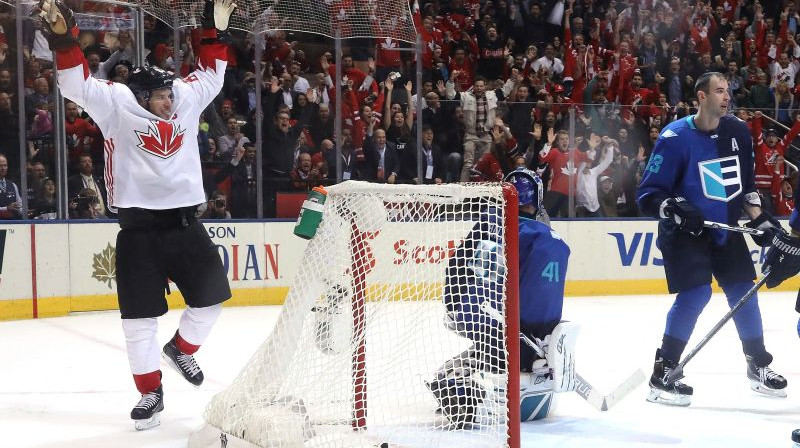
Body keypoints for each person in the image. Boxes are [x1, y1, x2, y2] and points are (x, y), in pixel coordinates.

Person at [39, 0, 235, 430]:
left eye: (170, 93)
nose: (170, 100)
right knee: (138, 321)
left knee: (212, 301)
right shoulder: (115, 104)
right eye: (161, 95)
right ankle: (150, 392)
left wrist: (213, 30)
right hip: (139, 232)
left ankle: (182, 348)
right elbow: (74, 85)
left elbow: (212, 74)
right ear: (142, 95)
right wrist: (63, 39)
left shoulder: (184, 98)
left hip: (186, 224)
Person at [636, 72, 787, 407]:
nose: (726, 96)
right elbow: (647, 195)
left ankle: (757, 364)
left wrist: (760, 219)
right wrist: (674, 206)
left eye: (728, 91)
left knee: (743, 292)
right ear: (701, 97)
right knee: (697, 293)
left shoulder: (737, 131)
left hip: (725, 228)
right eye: (719, 91)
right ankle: (664, 371)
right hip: (685, 233)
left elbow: (746, 189)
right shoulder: (674, 138)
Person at [427, 167, 576, 427]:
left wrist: (454, 307)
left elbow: (459, 267)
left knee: (452, 371)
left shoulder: (494, 226)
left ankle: (468, 396)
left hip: (500, 334)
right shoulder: (553, 239)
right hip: (541, 341)